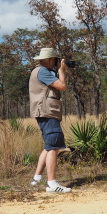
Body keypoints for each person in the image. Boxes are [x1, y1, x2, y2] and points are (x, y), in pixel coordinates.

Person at [28, 47, 71, 193]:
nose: (56, 62)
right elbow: (62, 86)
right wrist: (61, 71)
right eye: (54, 60)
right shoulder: (44, 72)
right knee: (54, 146)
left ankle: (37, 178)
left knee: (49, 145)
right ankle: (52, 184)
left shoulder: (39, 71)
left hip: (44, 111)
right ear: (48, 60)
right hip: (47, 111)